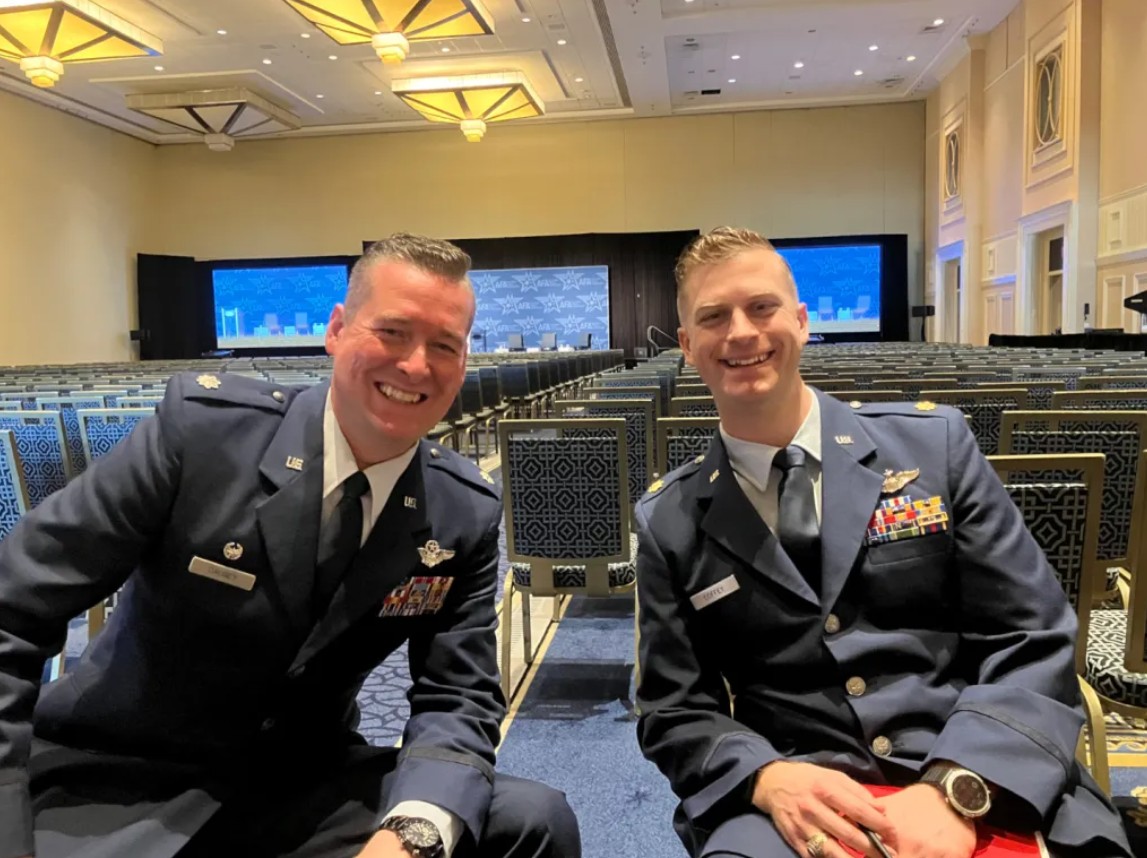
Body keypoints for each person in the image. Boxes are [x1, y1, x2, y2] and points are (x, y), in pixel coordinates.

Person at [0, 234, 581, 858]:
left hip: (297, 780)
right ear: (336, 330)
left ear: (464, 361)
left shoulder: (462, 509)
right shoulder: (203, 435)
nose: (416, 366)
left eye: (444, 345)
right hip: (121, 780)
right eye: (392, 332)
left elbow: (457, 696)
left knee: (532, 820)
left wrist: (412, 834)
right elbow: (14, 608)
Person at [634, 227, 1131, 858]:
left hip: (976, 759)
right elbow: (674, 710)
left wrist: (958, 786)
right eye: (713, 317)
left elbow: (1031, 634)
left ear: (801, 321)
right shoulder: (669, 519)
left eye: (761, 307)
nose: (741, 332)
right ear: (686, 345)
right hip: (800, 790)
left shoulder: (934, 448)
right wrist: (765, 778)